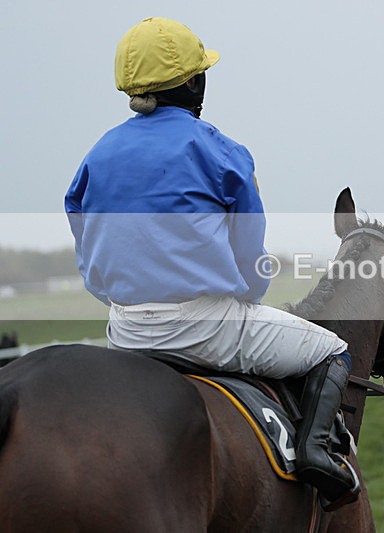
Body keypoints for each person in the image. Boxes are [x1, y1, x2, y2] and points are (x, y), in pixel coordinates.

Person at [64, 17, 359, 510]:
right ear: (193, 83)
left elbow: (89, 257)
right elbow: (250, 263)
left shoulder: (96, 156)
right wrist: (245, 295)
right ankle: (314, 455)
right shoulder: (220, 149)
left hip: (125, 333)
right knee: (333, 351)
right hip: (207, 327)